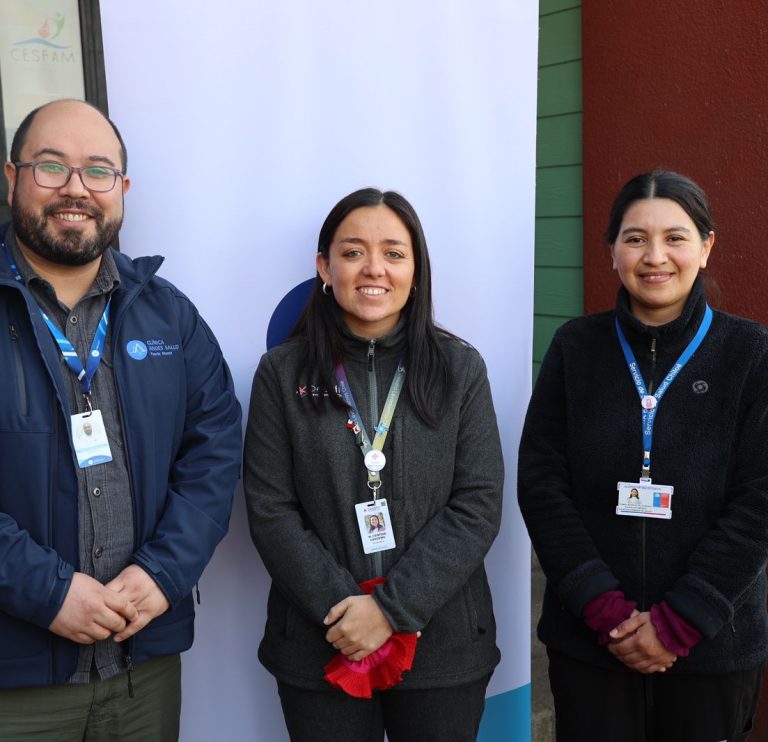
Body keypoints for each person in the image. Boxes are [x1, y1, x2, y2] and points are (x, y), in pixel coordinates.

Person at [0, 99, 242, 740]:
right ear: (12, 177)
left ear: (122, 189)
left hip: (143, 668)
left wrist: (164, 572)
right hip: (14, 680)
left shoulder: (170, 316)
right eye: (51, 166)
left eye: (97, 171)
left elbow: (214, 452)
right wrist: (46, 592)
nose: (76, 188)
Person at [243, 188, 503, 741]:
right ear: (324, 266)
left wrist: (390, 609)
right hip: (322, 641)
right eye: (353, 251)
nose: (374, 269)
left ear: (416, 268)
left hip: (443, 646)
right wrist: (343, 609)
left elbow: (477, 504)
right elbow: (270, 510)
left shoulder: (460, 368)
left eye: (394, 252)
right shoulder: (280, 373)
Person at [518, 171, 768, 742]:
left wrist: (681, 621)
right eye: (635, 238)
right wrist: (603, 609)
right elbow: (542, 484)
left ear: (706, 247)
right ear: (612, 251)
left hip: (712, 647)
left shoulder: (751, 354)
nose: (655, 256)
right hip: (591, 642)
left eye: (675, 237)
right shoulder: (575, 348)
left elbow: (759, 505)